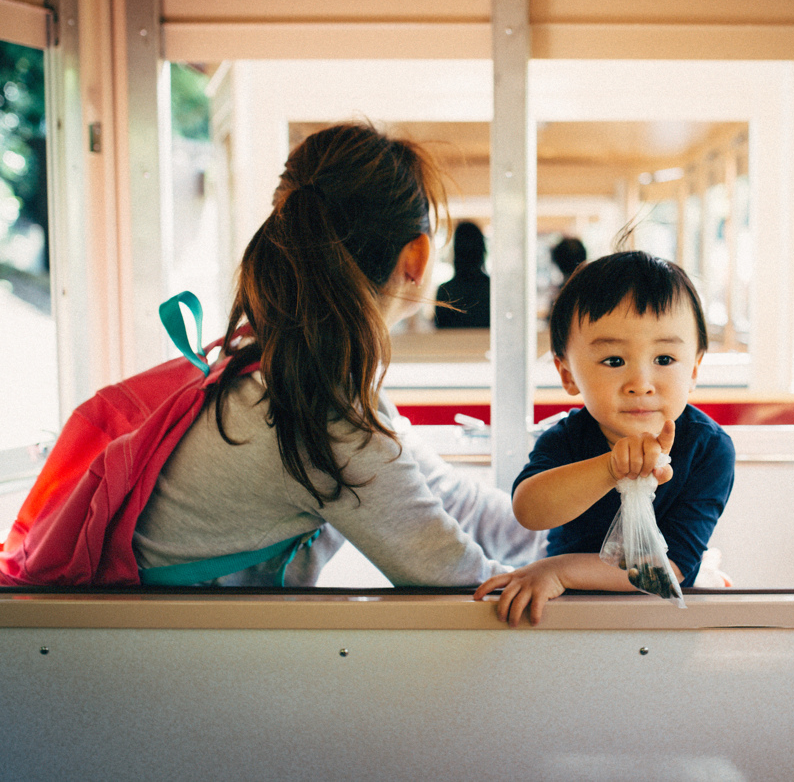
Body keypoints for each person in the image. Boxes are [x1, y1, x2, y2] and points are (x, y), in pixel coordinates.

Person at [133, 122, 544, 586]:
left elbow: (456, 503)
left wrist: (596, 532)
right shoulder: (321, 414)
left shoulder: (274, 369)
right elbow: (460, 579)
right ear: (417, 257)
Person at [474, 251, 735, 625]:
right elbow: (529, 511)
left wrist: (560, 570)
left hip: (664, 618)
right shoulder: (565, 438)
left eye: (664, 359)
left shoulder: (709, 449)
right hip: (567, 611)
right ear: (567, 375)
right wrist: (610, 468)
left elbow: (671, 567)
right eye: (614, 361)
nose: (640, 384)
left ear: (693, 369)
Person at [433, 220, 490, 328]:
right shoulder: (492, 289)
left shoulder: (445, 291)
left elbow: (439, 333)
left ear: (456, 251)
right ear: (481, 250)